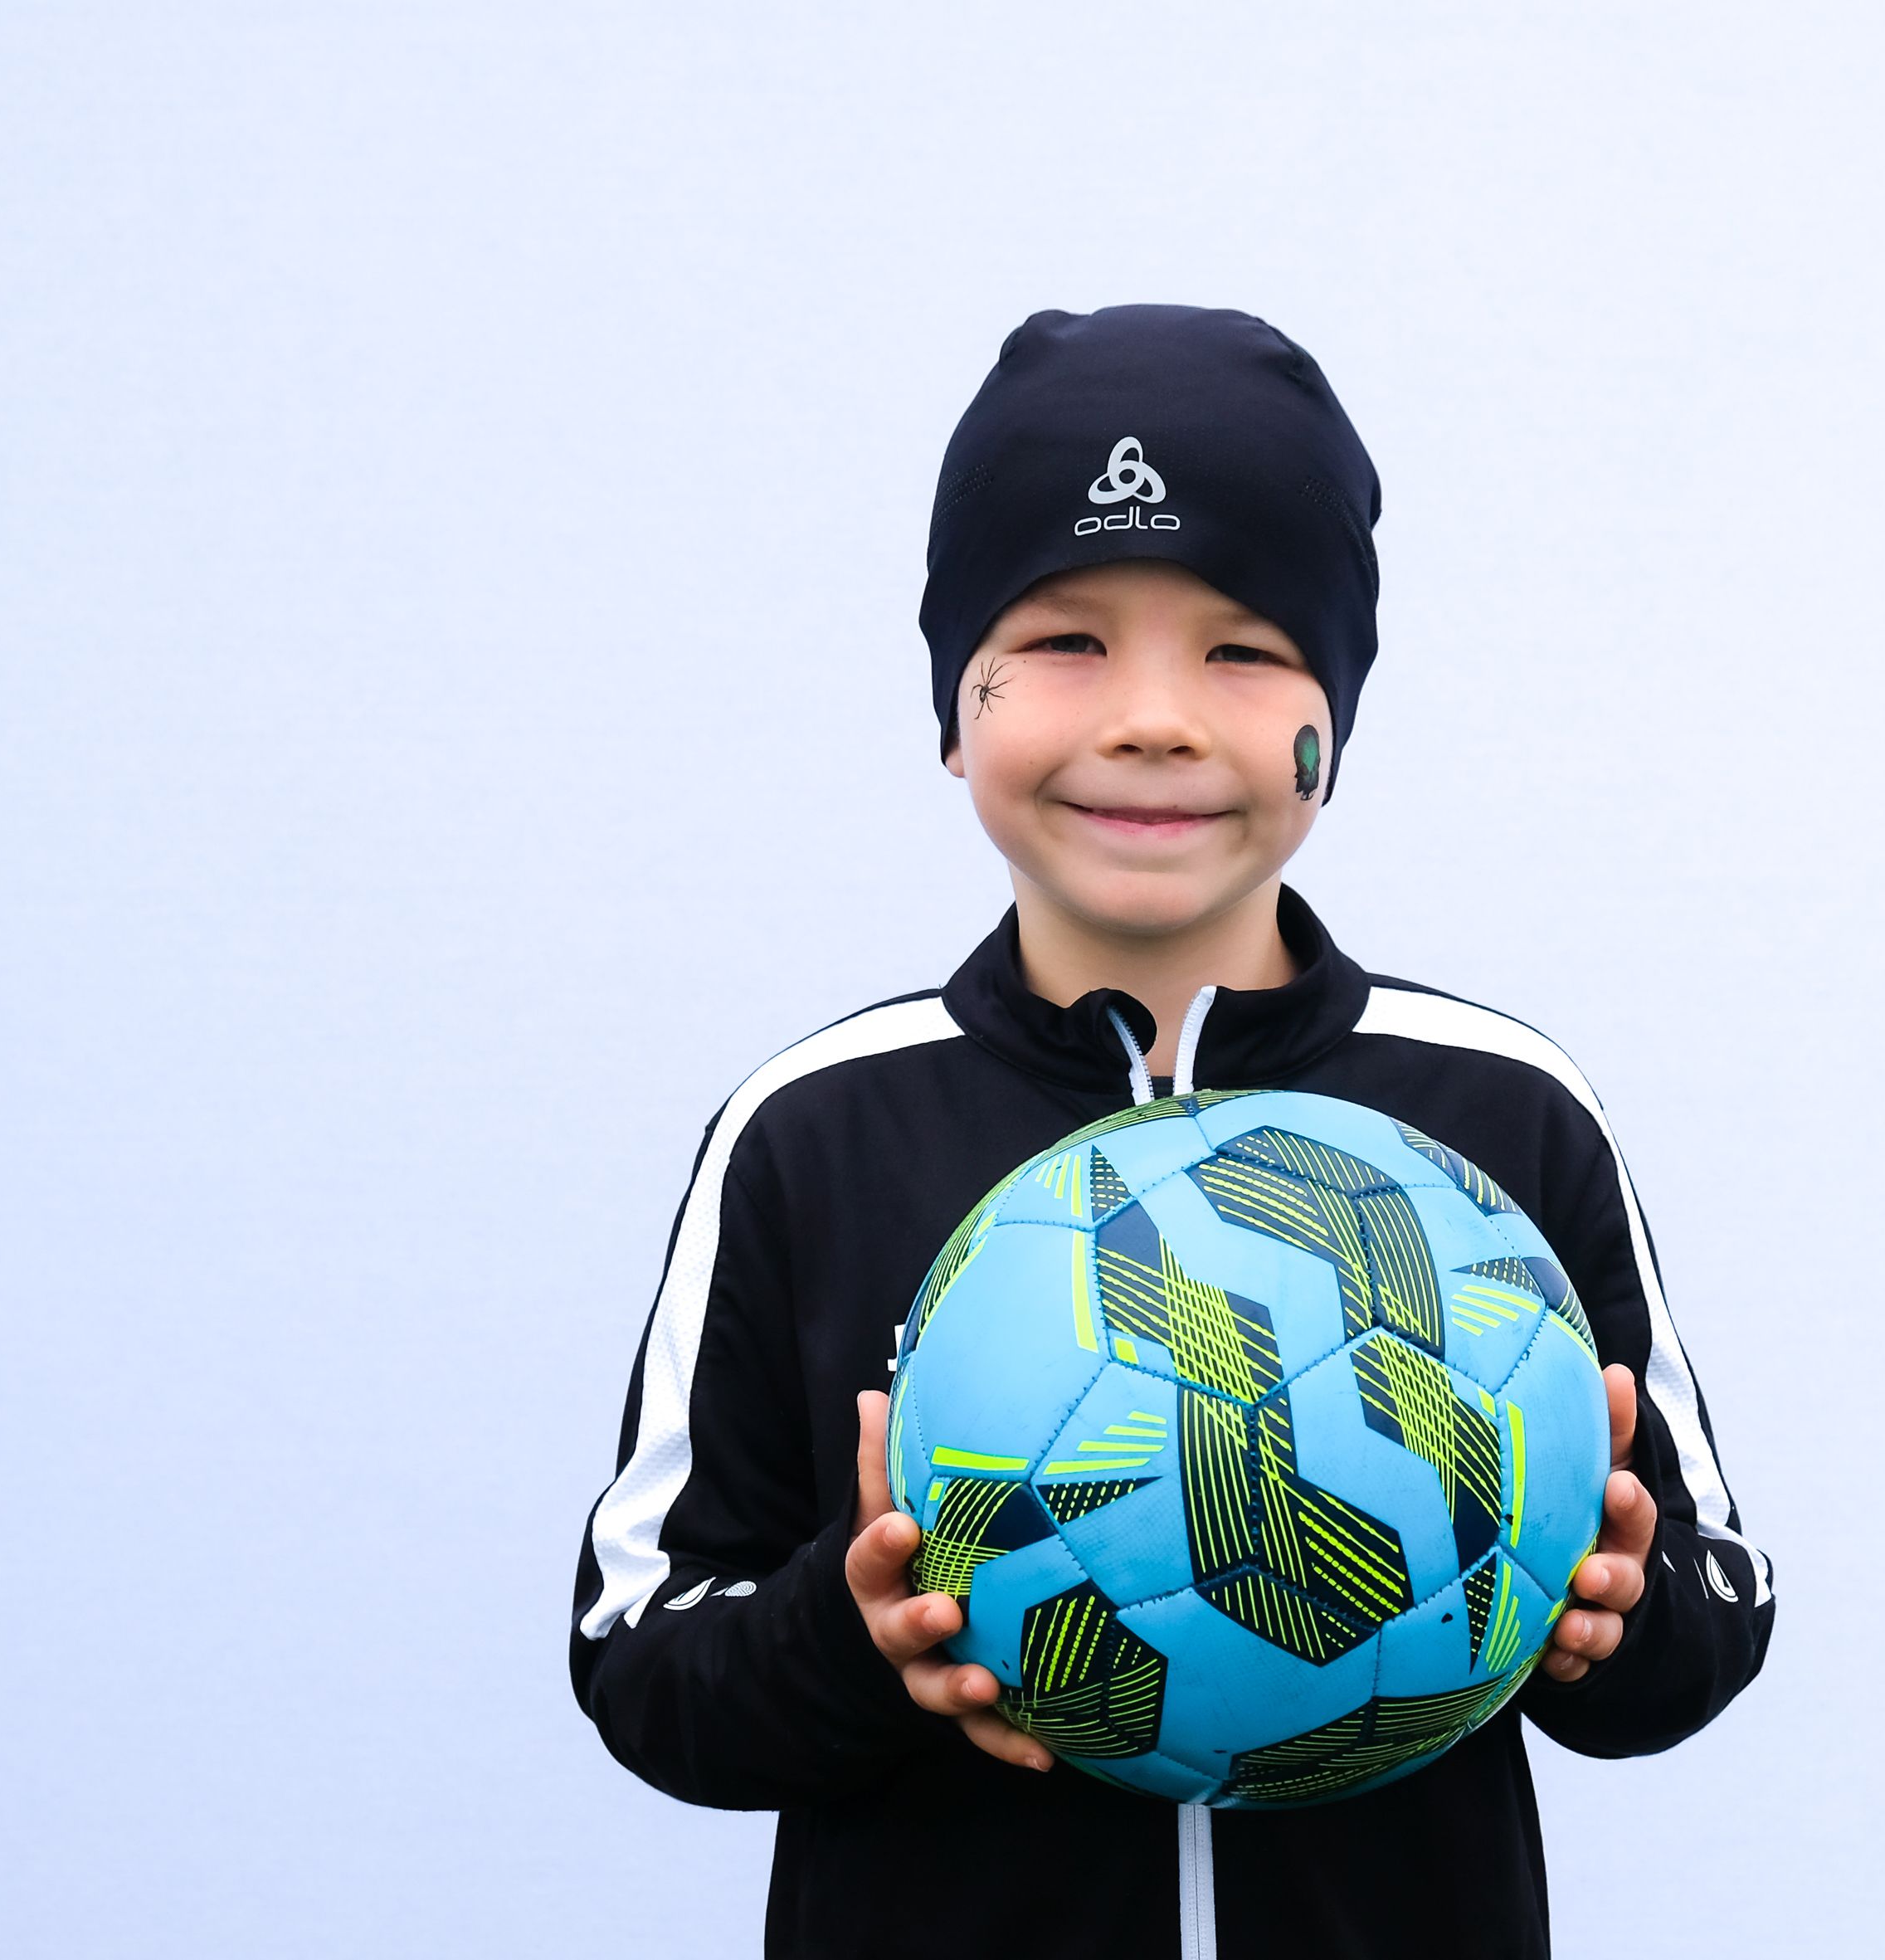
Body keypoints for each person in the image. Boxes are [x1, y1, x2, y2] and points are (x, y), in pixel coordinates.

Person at [569, 305, 1773, 1959]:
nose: (1153, 715)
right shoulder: (815, 1126)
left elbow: (1714, 1594)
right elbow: (642, 1655)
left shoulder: (1501, 1110)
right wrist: (856, 1636)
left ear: (1336, 714)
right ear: (954, 704)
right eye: (1066, 639)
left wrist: (1612, 1624)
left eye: (1241, 648)